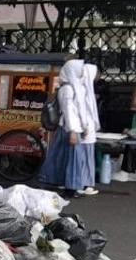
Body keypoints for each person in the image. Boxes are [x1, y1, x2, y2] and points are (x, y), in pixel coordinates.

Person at [38, 59, 96, 197]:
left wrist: (85, 126)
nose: (83, 72)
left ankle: (63, 184)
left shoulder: (74, 87)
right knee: (74, 159)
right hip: (69, 129)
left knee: (64, 157)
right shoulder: (67, 89)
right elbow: (69, 111)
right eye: (80, 70)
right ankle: (71, 188)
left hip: (74, 129)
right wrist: (73, 131)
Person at [79, 62, 101, 195]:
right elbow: (84, 111)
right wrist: (86, 126)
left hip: (88, 130)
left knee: (86, 158)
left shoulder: (86, 89)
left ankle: (85, 183)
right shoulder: (83, 91)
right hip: (85, 130)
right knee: (85, 158)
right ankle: (84, 184)